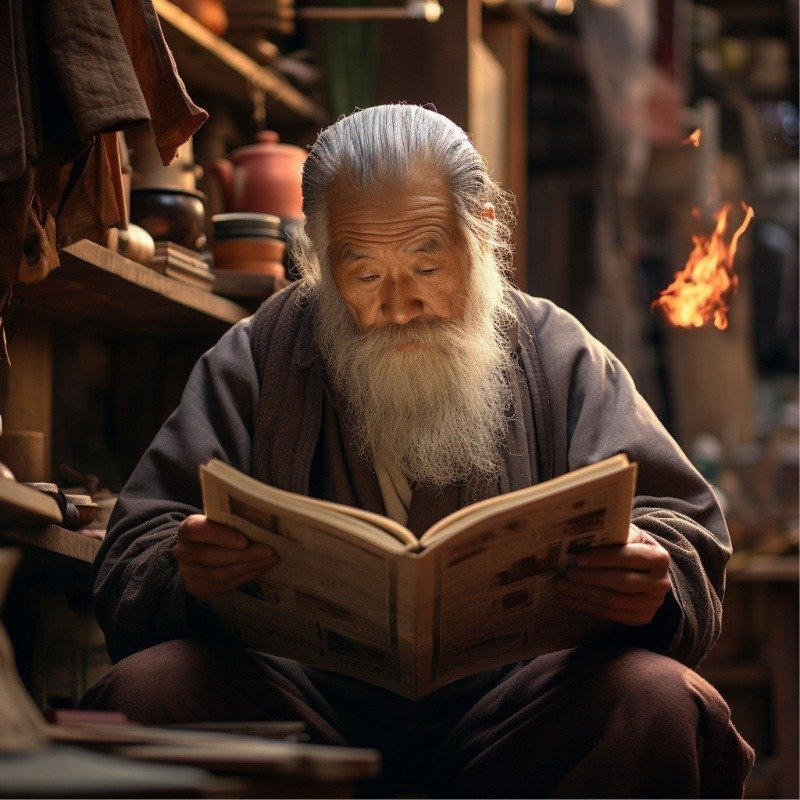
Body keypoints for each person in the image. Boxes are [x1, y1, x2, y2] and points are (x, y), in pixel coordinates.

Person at [81, 104, 754, 797]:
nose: (400, 305)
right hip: (304, 707)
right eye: (365, 275)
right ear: (318, 258)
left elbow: (682, 525)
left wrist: (650, 574)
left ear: (481, 232)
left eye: (427, 266)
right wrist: (186, 569)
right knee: (150, 692)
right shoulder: (260, 356)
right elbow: (136, 546)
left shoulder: (558, 354)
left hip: (517, 715)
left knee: (654, 700)